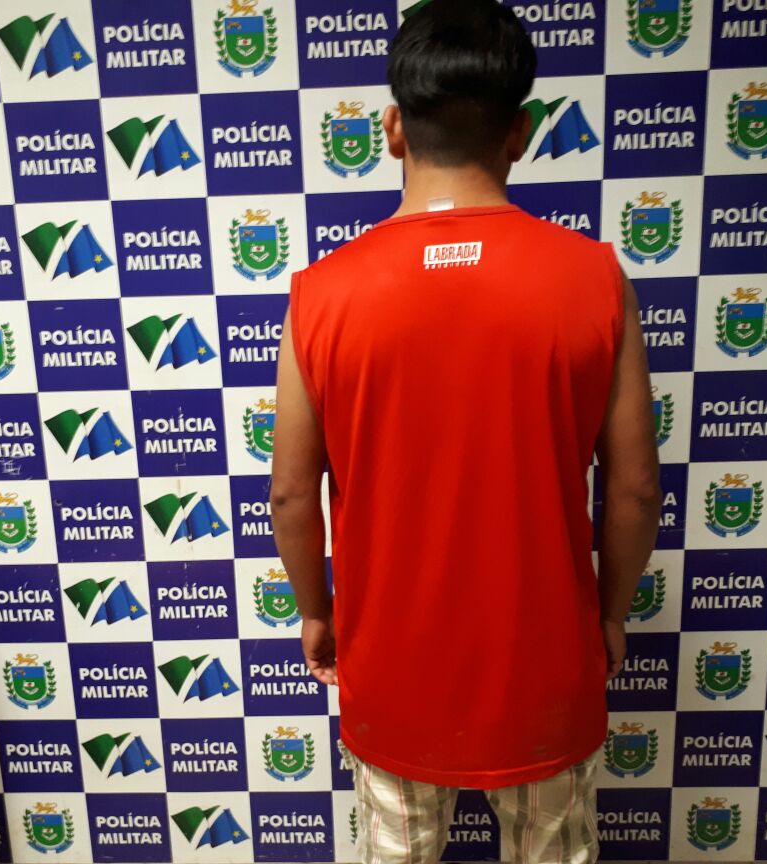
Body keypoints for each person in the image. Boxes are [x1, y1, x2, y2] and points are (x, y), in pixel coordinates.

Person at [269, 1, 662, 861]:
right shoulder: (595, 278)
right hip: (546, 663)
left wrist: (315, 613)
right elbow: (635, 489)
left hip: (390, 664)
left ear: (392, 130)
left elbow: (294, 493)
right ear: (520, 132)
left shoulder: (320, 293)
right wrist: (609, 615)